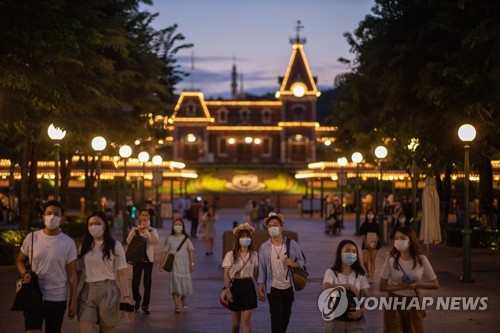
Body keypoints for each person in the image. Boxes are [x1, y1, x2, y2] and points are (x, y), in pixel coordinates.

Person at [16, 200, 78, 333]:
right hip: (34, 295)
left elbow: (72, 274)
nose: (52, 217)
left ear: (62, 218)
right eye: (49, 213)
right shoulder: (32, 237)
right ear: (43, 216)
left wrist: (74, 300)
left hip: (57, 297)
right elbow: (20, 260)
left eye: (56, 214)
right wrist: (24, 273)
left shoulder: (68, 243)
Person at [76, 211, 133, 333]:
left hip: (109, 291)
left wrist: (126, 297)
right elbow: (78, 272)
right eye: (90, 224)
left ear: (105, 225)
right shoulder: (83, 246)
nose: (94, 226)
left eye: (97, 223)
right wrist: (72, 297)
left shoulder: (115, 245)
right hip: (88, 291)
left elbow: (122, 273)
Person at [379, 226, 439, 333]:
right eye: (396, 238)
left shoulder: (421, 260)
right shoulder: (391, 259)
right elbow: (382, 287)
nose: (398, 241)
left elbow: (435, 284)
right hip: (393, 302)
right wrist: (402, 286)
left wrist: (417, 285)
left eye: (402, 238)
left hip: (413, 303)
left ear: (411, 241)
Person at [258, 212, 305, 333]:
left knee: (286, 317)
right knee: (276, 317)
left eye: (275, 224)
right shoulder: (264, 247)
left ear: (281, 227)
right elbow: (262, 269)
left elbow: (301, 260)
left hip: (289, 287)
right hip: (272, 288)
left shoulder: (292, 244)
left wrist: (293, 264)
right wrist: (260, 287)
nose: (273, 227)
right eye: (270, 225)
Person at [322, 239, 370, 332]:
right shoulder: (331, 272)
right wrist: (347, 287)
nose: (351, 254)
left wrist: (362, 311)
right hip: (336, 320)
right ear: (340, 253)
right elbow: (326, 287)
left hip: (355, 321)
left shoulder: (360, 274)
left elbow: (367, 297)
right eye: (347, 251)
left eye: (354, 251)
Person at [221, 223, 259, 333]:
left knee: (246, 321)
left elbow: (257, 274)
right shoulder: (230, 255)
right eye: (242, 237)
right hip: (235, 288)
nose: (245, 239)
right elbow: (226, 274)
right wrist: (228, 290)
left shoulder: (254, 255)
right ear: (238, 239)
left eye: (247, 237)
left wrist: (261, 286)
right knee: (236, 323)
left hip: (249, 286)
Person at [126, 209, 159, 314]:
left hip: (148, 260)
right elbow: (128, 241)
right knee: (135, 283)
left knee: (147, 283)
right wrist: (137, 233)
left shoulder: (153, 230)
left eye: (146, 215)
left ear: (149, 217)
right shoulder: (135, 229)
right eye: (142, 215)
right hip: (137, 259)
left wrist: (148, 230)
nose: (144, 217)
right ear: (139, 217)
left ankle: (145, 305)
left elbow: (155, 242)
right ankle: (137, 299)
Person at [159, 218, 195, 313]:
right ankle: (176, 305)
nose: (177, 226)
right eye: (176, 224)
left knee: (184, 283)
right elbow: (164, 251)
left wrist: (192, 264)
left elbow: (191, 251)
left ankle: (183, 297)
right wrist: (161, 264)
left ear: (183, 227)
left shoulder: (186, 239)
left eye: (179, 224)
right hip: (174, 265)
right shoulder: (169, 239)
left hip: (184, 264)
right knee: (175, 284)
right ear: (173, 227)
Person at [358, 209, 382, 283]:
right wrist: (366, 243)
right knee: (365, 261)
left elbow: (378, 235)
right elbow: (362, 235)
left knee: (372, 260)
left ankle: (371, 277)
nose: (370, 215)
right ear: (367, 215)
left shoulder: (376, 225)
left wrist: (375, 243)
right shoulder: (364, 224)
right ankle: (367, 271)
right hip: (366, 244)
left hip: (375, 244)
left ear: (374, 215)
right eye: (369, 213)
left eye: (372, 213)